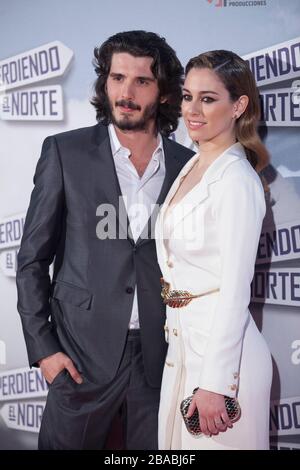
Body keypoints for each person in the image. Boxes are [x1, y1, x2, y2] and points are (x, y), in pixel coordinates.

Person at [16, 30, 194, 450]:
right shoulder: (65, 152)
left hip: (161, 361)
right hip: (79, 357)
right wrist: (44, 350)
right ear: (104, 83)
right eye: (117, 78)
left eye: (142, 81)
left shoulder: (189, 167)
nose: (126, 92)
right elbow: (31, 260)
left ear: (165, 92)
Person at [155, 50, 273, 450]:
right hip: (185, 351)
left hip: (221, 367)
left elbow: (235, 289)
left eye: (208, 99)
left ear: (238, 105)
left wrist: (216, 384)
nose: (193, 109)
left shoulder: (236, 179)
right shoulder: (194, 165)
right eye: (188, 96)